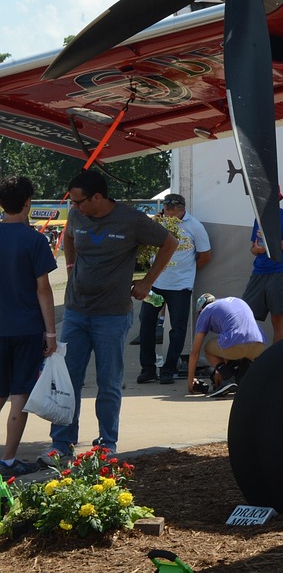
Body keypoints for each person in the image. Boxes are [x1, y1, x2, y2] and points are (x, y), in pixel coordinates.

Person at [43, 169, 177, 465]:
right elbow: (68, 236)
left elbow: (170, 243)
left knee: (109, 381)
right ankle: (61, 445)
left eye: (78, 201)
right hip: (76, 312)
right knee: (68, 379)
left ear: (98, 197)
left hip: (112, 315)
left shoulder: (130, 220)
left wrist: (148, 282)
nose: (74, 207)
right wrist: (70, 267)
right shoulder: (77, 216)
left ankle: (106, 444)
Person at [0, 176, 58, 477]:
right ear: (28, 203)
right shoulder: (35, 240)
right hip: (27, 327)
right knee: (19, 394)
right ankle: (9, 460)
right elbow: (43, 290)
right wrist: (51, 332)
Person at [138, 193, 211, 385]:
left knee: (178, 329)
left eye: (172, 210)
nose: (169, 213)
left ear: (182, 209)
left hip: (180, 286)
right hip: (155, 284)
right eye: (166, 210)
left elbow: (205, 255)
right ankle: (148, 369)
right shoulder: (158, 223)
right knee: (146, 324)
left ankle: (169, 369)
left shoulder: (194, 226)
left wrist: (187, 271)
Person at [245, 190, 283, 343]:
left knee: (277, 320)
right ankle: (253, 354)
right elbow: (253, 249)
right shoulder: (259, 219)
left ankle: (276, 356)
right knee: (246, 315)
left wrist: (273, 242)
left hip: (279, 272)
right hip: (258, 272)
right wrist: (257, 249)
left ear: (277, 199)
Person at [187, 293, 266, 398]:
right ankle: (243, 379)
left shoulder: (206, 311)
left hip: (236, 344)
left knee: (208, 348)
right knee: (240, 349)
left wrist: (190, 382)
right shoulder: (235, 301)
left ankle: (228, 379)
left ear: (201, 309)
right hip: (259, 344)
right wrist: (218, 372)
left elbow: (195, 353)